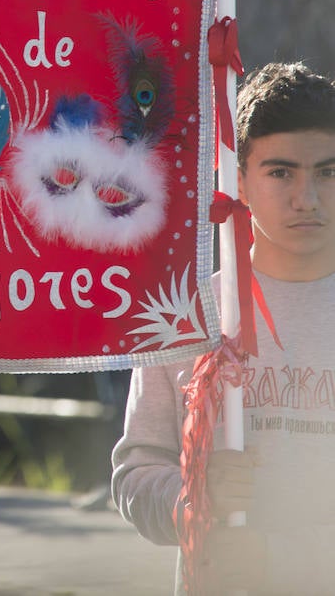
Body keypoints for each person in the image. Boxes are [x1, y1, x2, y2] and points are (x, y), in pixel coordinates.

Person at [111, 61, 335, 594]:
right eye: (281, 173)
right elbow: (136, 472)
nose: (308, 198)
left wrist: (277, 560)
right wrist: (193, 497)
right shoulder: (184, 315)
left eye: (328, 172)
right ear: (238, 181)